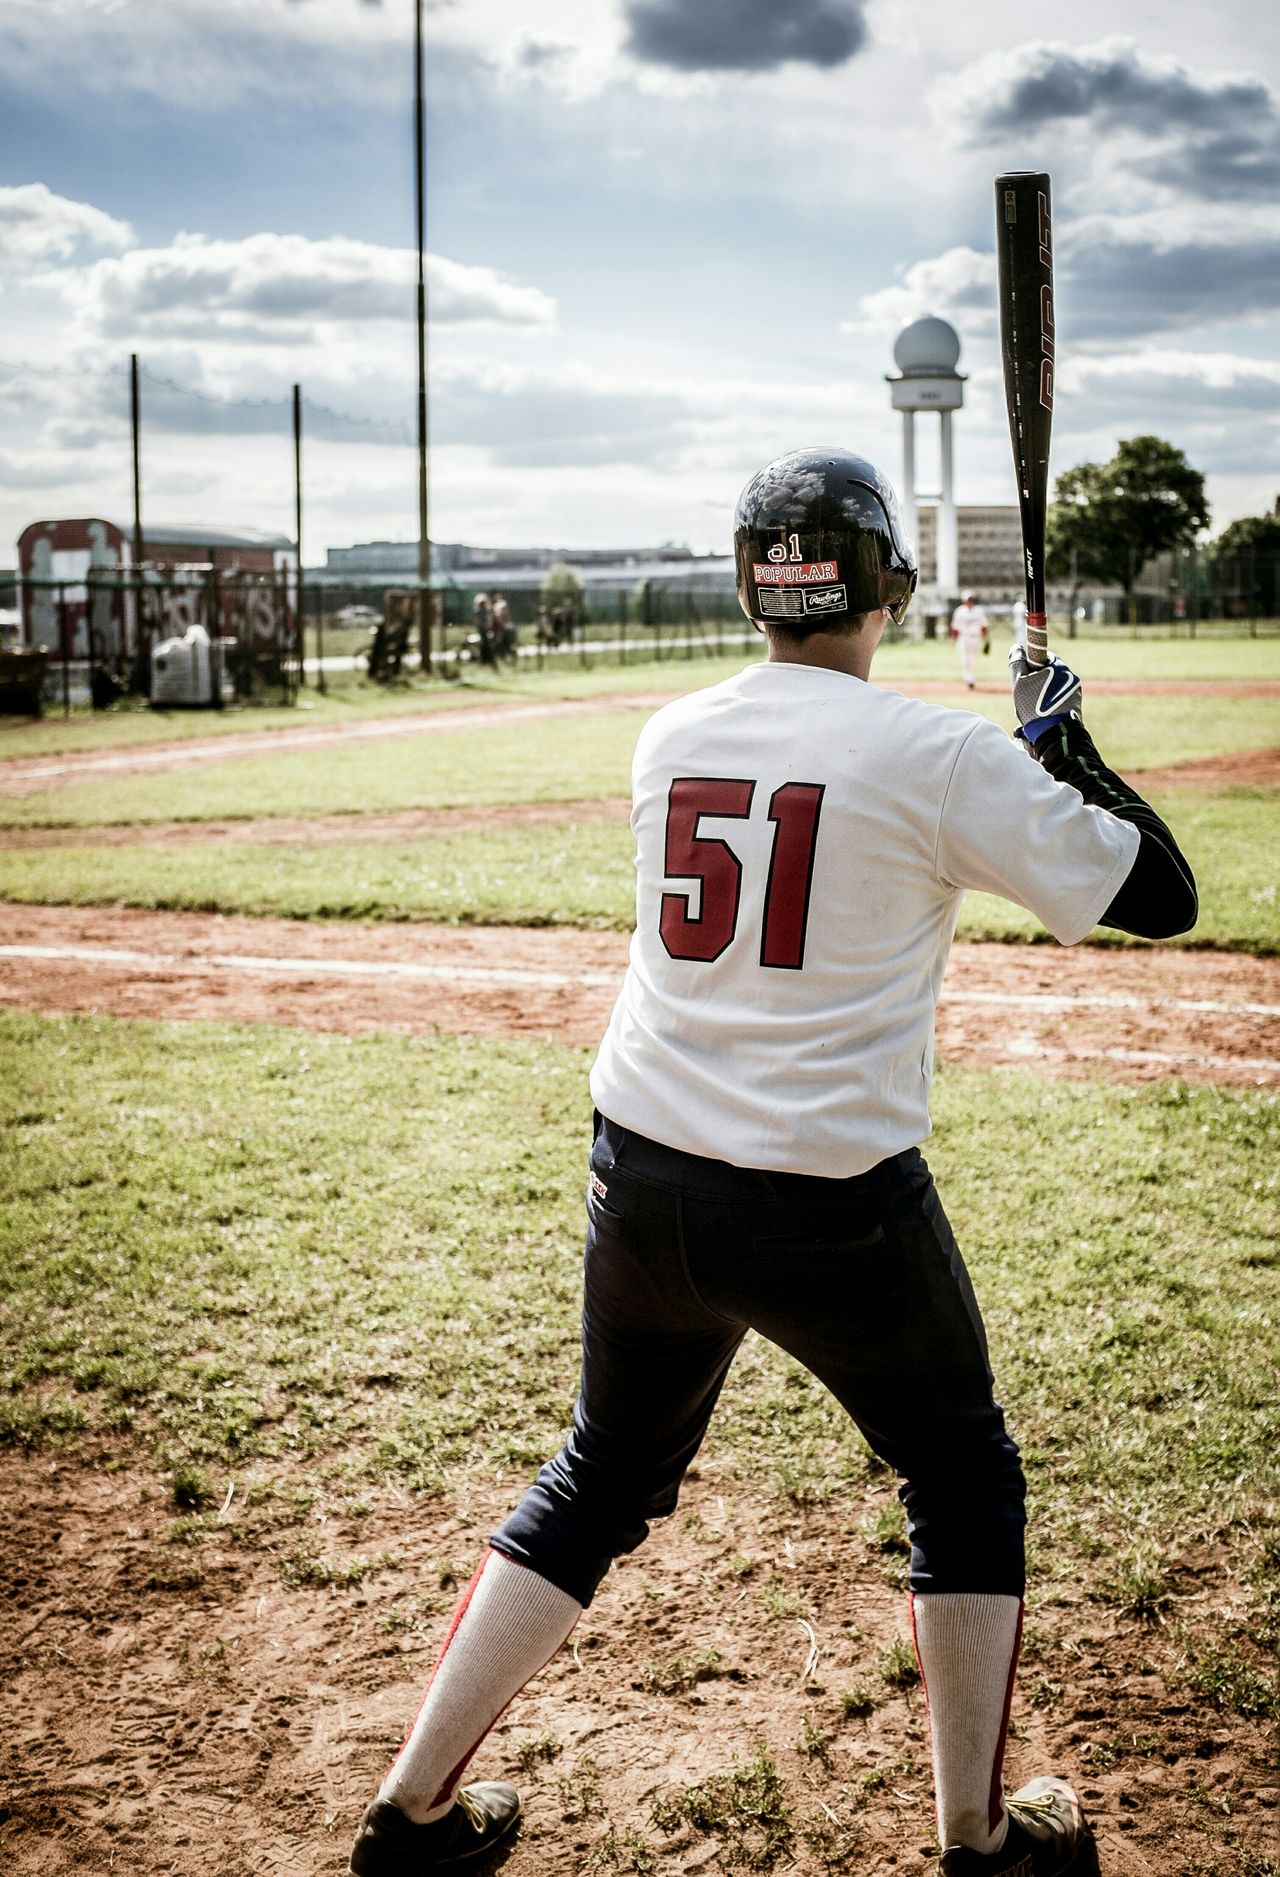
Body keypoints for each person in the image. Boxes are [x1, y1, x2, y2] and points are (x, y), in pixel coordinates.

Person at [348, 447, 1197, 1877]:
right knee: (962, 1476)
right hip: (831, 1205)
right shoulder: (938, 755)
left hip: (645, 1174)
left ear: (756, 587)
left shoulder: (667, 733)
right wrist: (1062, 748)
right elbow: (1163, 895)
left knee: (601, 1470)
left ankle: (415, 1803)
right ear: (886, 590)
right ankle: (982, 1840)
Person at [950, 590, 989, 688]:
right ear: (964, 600)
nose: (970, 601)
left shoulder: (979, 611)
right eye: (968, 599)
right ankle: (969, 678)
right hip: (964, 637)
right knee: (965, 658)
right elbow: (955, 628)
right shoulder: (960, 611)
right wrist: (953, 640)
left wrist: (986, 640)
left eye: (971, 599)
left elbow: (984, 626)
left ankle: (970, 676)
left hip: (975, 638)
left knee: (972, 658)